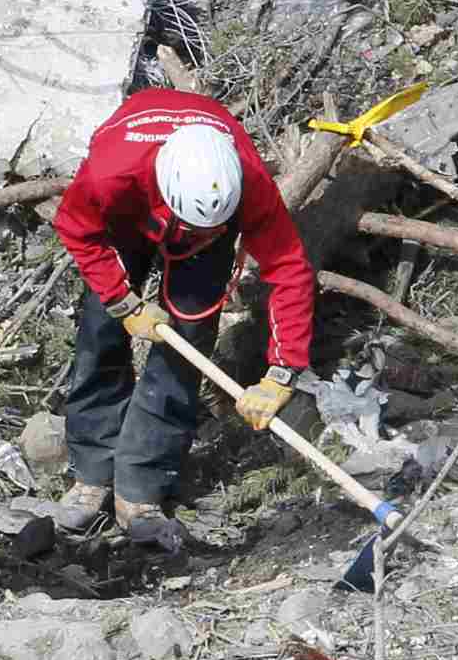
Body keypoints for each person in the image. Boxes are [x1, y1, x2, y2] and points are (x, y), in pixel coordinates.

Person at [47, 90, 316, 555]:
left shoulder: (245, 181)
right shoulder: (112, 172)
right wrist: (124, 304)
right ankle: (92, 471)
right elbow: (76, 229)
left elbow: (289, 267)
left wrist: (281, 372)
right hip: (131, 209)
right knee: (101, 328)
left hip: (202, 211)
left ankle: (141, 488)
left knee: (189, 331)